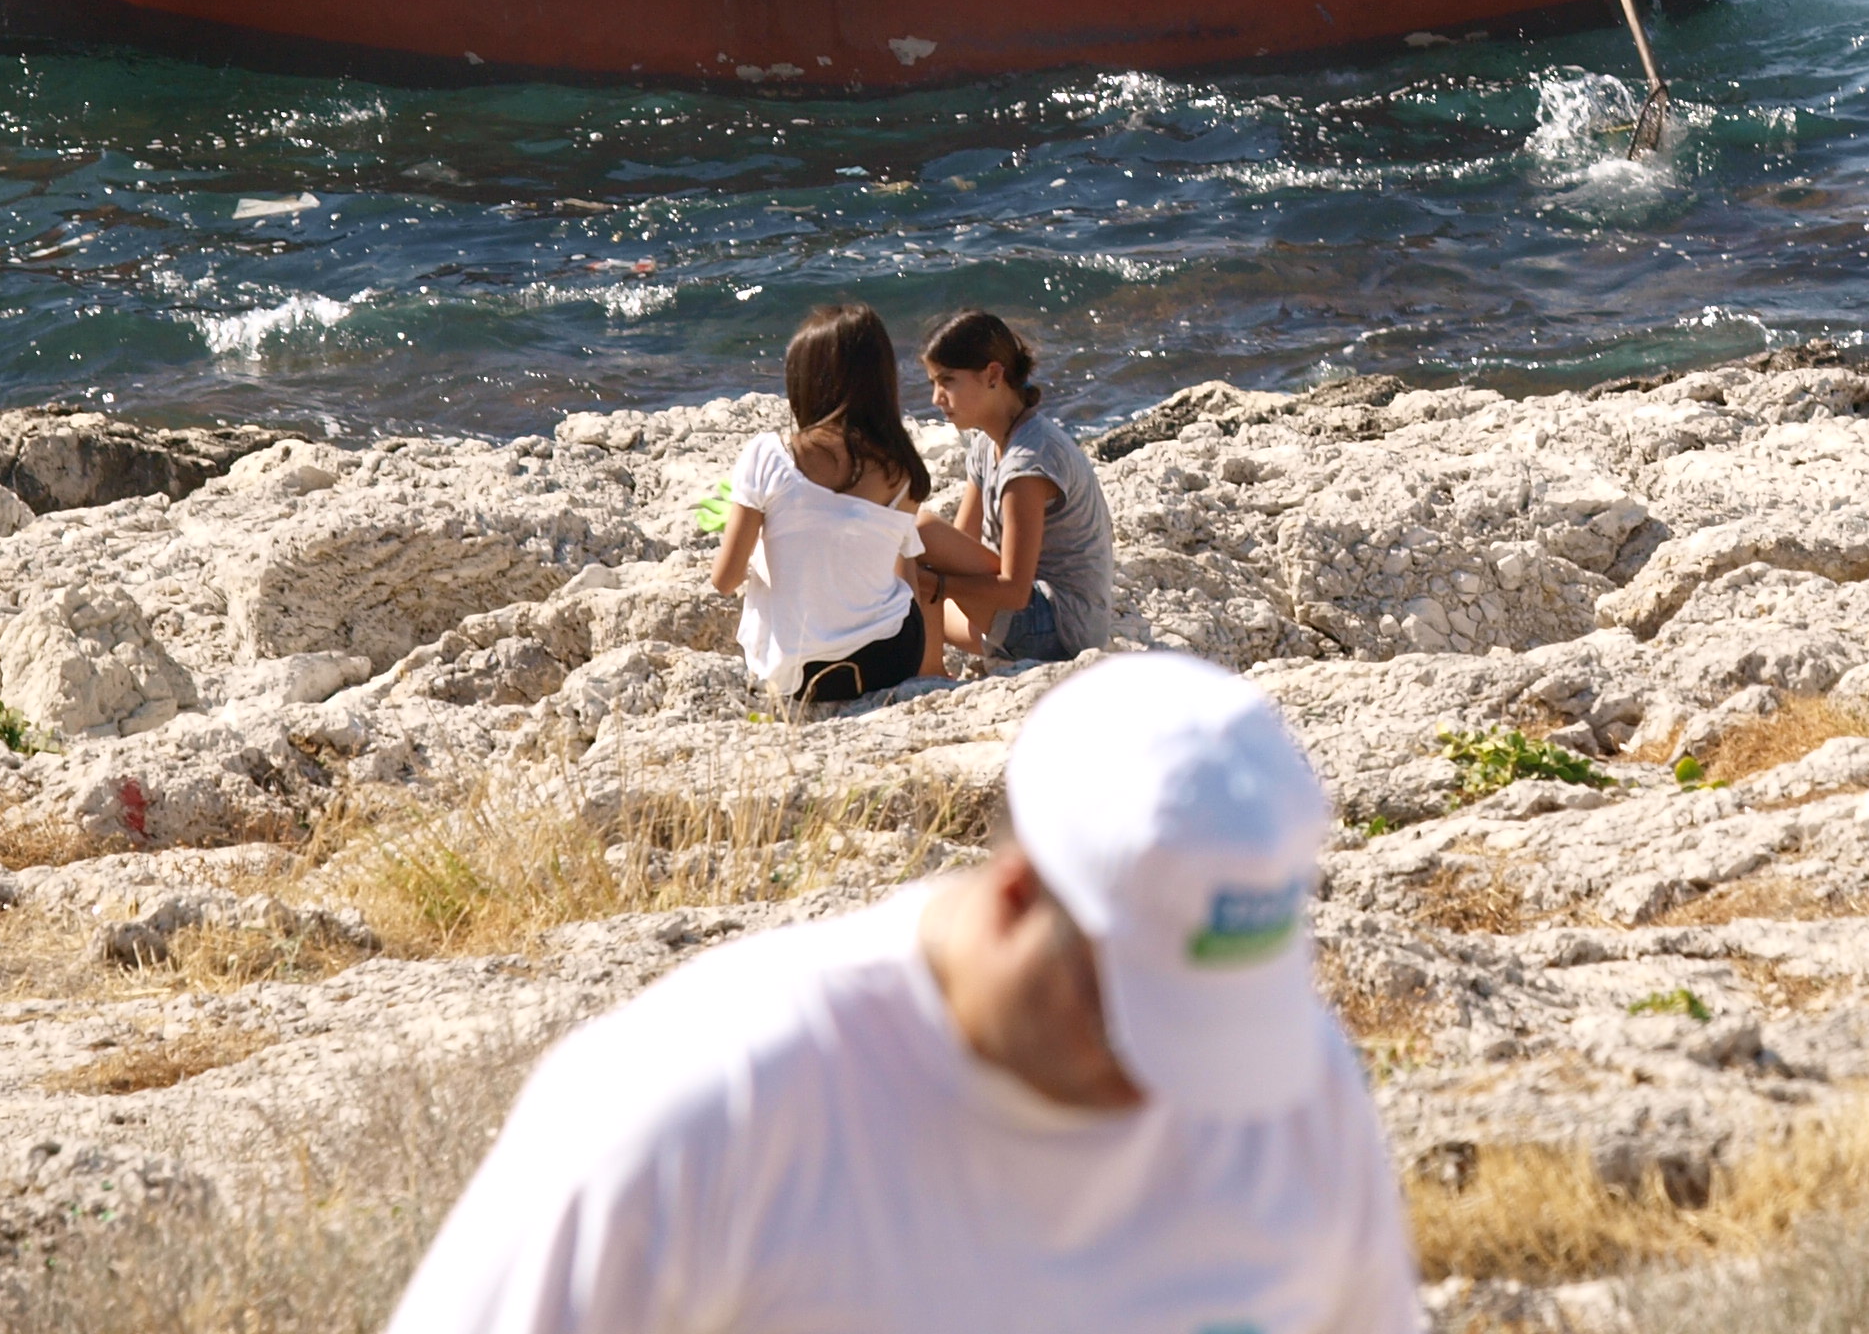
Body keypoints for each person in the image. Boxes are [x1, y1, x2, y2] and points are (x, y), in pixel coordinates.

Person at [389, 652, 1423, 1334]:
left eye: (1222, 1023)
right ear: (1018, 898)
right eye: (1140, 1020)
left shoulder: (1293, 1091)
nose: (1174, 1086)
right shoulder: (705, 1107)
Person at [707, 304, 960, 706]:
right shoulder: (904, 473)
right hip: (888, 659)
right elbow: (905, 578)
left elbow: (724, 580)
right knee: (904, 561)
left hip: (799, 678)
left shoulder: (768, 455)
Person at [923, 307, 1121, 664]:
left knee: (920, 532)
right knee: (911, 561)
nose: (937, 398)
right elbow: (960, 542)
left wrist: (936, 587)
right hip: (1027, 612)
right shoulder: (988, 442)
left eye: (948, 381)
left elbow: (1013, 591)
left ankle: (927, 670)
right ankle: (930, 667)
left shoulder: (1028, 462)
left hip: (1060, 629)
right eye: (934, 383)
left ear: (993, 375)